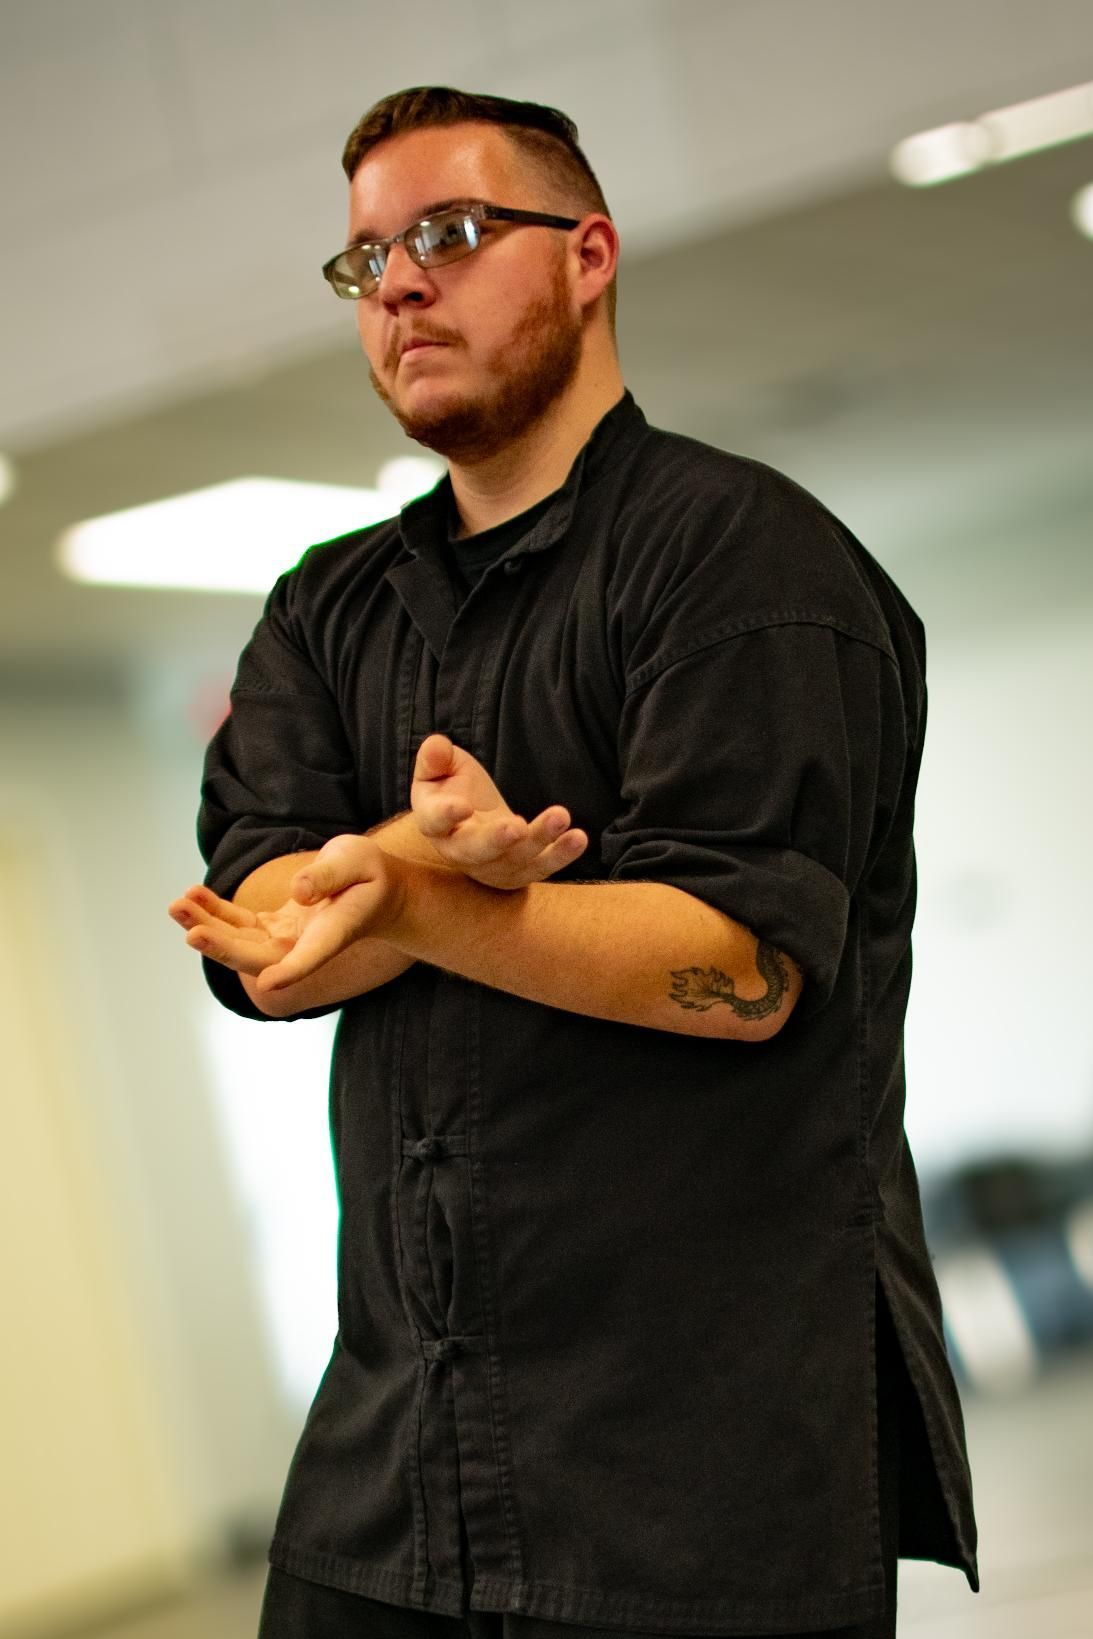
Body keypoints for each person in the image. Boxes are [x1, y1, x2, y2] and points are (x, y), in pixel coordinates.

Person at [169, 87, 978, 1639]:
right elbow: (264, 941)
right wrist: (426, 859)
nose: (401, 283)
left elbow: (738, 974)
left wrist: (412, 905)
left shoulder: (738, 557)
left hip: (695, 1503)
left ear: (588, 254)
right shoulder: (326, 613)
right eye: (365, 260)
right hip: (389, 1482)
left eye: (452, 235)